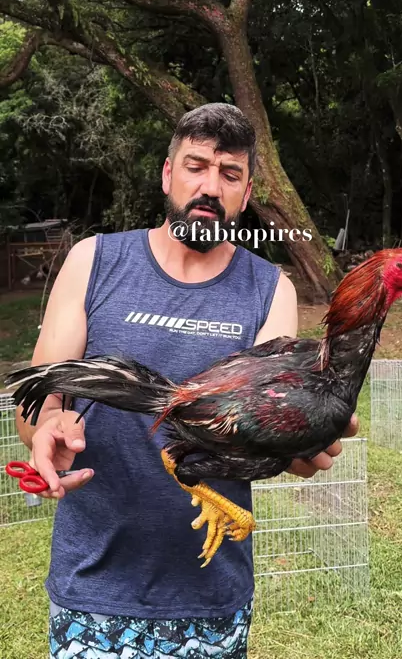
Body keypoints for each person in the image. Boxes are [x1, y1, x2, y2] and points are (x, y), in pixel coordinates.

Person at [16, 103, 359, 659]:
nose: (210, 187)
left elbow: (262, 430)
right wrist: (47, 426)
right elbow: (40, 398)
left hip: (210, 592)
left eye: (230, 174)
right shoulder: (93, 261)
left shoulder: (270, 289)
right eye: (196, 166)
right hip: (93, 585)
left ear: (246, 194)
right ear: (167, 173)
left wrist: (300, 443)